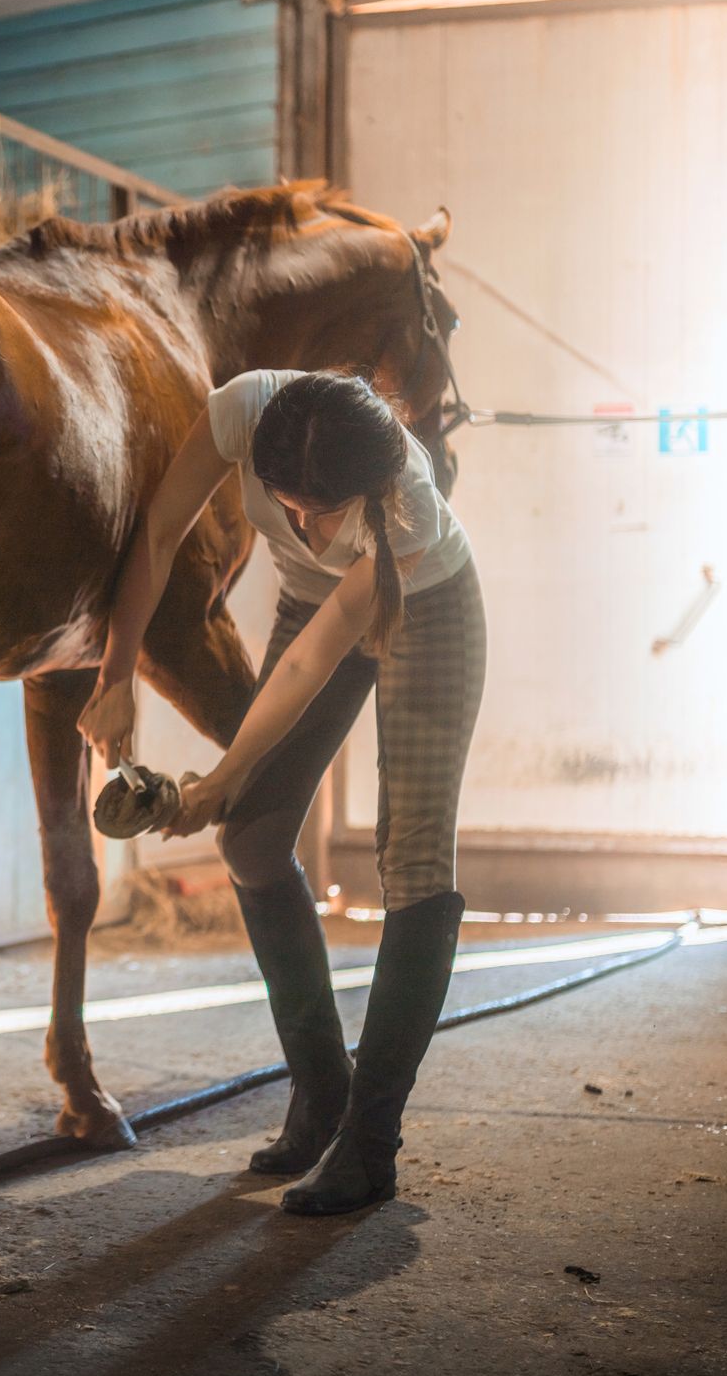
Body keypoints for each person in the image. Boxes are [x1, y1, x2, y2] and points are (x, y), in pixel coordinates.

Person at [80, 369, 486, 1215]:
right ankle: (321, 1091)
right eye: (284, 504)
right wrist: (115, 673)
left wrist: (223, 777)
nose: (300, 525)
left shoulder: (404, 506)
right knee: (252, 842)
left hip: (428, 606)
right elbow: (158, 536)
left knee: (410, 858)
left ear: (369, 489)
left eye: (321, 511)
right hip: (313, 605)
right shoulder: (242, 410)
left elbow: (320, 656)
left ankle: (370, 1144)